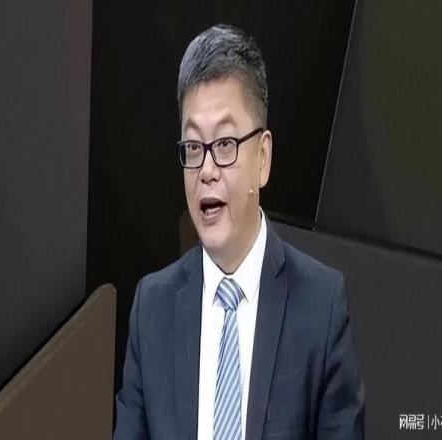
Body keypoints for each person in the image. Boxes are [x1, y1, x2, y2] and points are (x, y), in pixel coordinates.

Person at [114, 24, 365, 440]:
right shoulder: (152, 309)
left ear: (262, 158)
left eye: (225, 144)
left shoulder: (321, 307)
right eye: (194, 147)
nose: (207, 170)